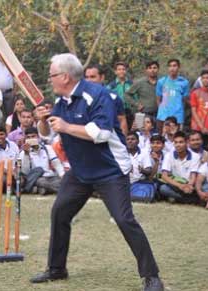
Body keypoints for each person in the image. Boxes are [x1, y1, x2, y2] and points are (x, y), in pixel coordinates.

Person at [31, 53, 163, 291]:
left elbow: (100, 134)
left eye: (51, 76)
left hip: (109, 170)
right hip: (80, 171)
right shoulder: (62, 100)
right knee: (60, 213)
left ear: (65, 76)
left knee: (124, 219)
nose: (49, 80)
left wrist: (66, 126)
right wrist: (42, 120)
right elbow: (46, 133)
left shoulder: (99, 95)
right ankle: (56, 269)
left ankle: (151, 276)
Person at [84, 64, 128, 135]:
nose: (89, 80)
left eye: (93, 77)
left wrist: (123, 141)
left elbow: (122, 120)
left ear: (102, 77)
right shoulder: (80, 97)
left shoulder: (113, 97)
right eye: (86, 77)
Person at [19, 127, 64, 195]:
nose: (31, 139)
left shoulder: (47, 148)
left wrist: (63, 175)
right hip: (37, 178)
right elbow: (25, 172)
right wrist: (26, 154)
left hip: (50, 176)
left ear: (38, 137)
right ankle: (62, 190)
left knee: (62, 181)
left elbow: (56, 163)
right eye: (28, 137)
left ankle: (42, 189)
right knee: (41, 182)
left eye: (33, 136)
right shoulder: (23, 153)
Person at [160, 131, 200, 204]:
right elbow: (164, 176)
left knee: (200, 187)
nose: (178, 145)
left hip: (189, 185)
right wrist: (180, 186)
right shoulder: (168, 155)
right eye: (176, 142)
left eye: (181, 142)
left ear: (187, 143)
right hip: (176, 184)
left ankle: (183, 198)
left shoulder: (195, 156)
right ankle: (189, 199)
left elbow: (193, 176)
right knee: (163, 188)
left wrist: (189, 186)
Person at [156, 59, 189, 132]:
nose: (172, 68)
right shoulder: (161, 81)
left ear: (179, 67)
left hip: (177, 115)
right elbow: (158, 99)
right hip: (163, 116)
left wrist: (179, 110)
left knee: (177, 138)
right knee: (162, 139)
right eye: (170, 66)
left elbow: (184, 100)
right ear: (168, 68)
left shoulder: (184, 82)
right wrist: (162, 110)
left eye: (174, 66)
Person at [190, 69, 208, 140]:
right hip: (198, 128)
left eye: (207, 78)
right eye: (203, 78)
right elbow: (194, 112)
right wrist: (202, 127)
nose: (205, 80)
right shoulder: (195, 93)